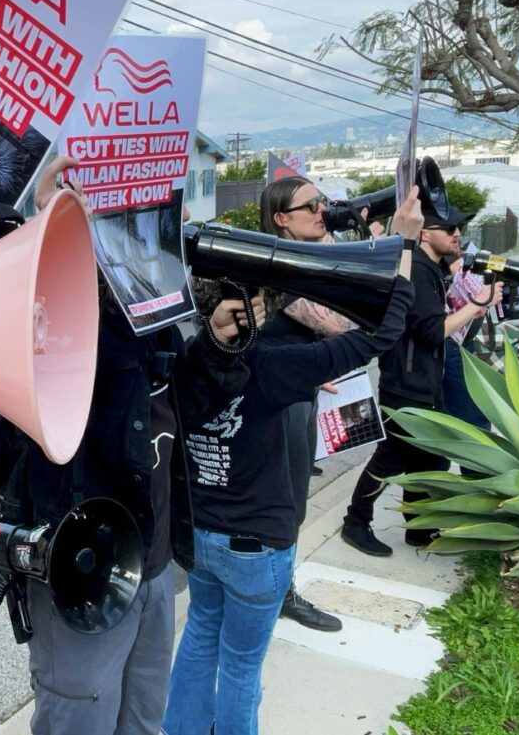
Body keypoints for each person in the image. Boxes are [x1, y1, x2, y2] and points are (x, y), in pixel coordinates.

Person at [0, 156, 258, 735]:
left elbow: (179, 408)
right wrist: (49, 255)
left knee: (143, 718)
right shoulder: (41, 313)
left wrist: (215, 347)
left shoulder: (150, 309)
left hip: (151, 566)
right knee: (78, 718)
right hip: (83, 571)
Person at [163, 255, 416, 735]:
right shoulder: (276, 366)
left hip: (199, 534)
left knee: (199, 636)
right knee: (241, 664)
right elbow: (380, 335)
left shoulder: (186, 358)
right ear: (252, 309)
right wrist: (401, 262)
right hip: (257, 544)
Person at [341, 203, 501, 556]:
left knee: (426, 459)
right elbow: (431, 331)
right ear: (425, 233)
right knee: (390, 459)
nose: (457, 234)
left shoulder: (430, 269)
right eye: (448, 228)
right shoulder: (419, 272)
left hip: (423, 383)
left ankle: (420, 528)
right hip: (407, 385)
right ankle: (355, 523)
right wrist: (476, 305)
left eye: (458, 228)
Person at [255, 175, 356, 633]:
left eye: (324, 203)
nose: (322, 211)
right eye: (311, 205)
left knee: (292, 501)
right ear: (281, 219)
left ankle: (277, 589)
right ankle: (276, 594)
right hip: (276, 405)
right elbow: (341, 323)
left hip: (298, 393)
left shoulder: (302, 260)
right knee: (284, 504)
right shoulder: (277, 266)